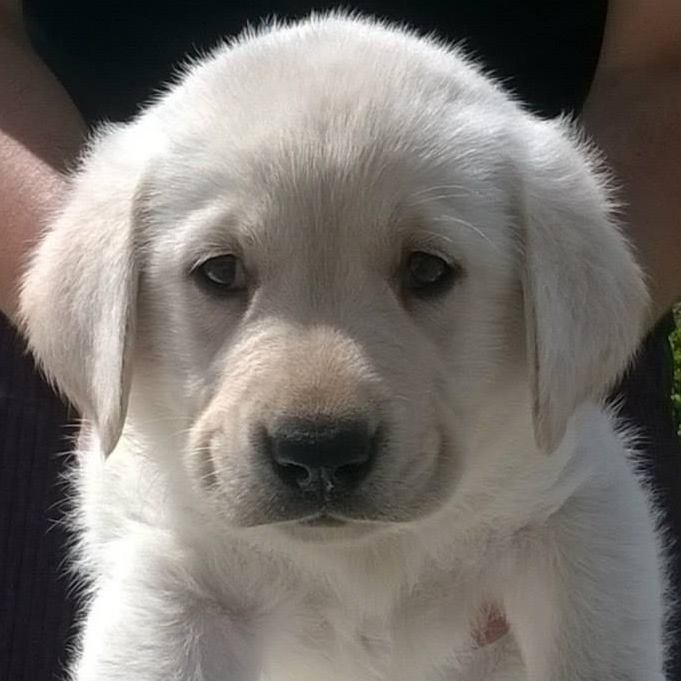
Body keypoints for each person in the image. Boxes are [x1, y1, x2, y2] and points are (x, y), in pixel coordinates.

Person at [0, 1, 679, 679]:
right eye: (221, 272)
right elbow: (179, 594)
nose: (316, 415)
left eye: (426, 270)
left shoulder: (537, 336)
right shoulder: (123, 234)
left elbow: (573, 512)